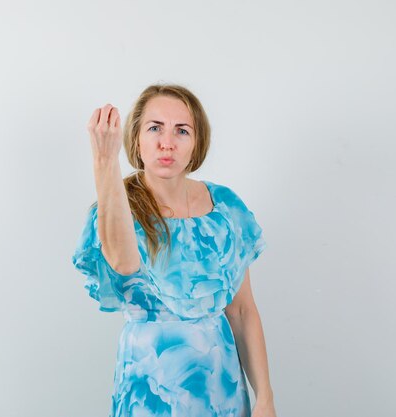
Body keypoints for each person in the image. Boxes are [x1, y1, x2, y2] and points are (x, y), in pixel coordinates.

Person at [71, 84, 277, 417]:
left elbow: (241, 311)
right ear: (136, 139)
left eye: (182, 131)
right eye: (155, 128)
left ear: (197, 144)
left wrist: (265, 398)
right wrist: (104, 162)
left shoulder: (225, 209)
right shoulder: (114, 210)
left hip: (220, 392)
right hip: (150, 395)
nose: (167, 142)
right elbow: (124, 264)